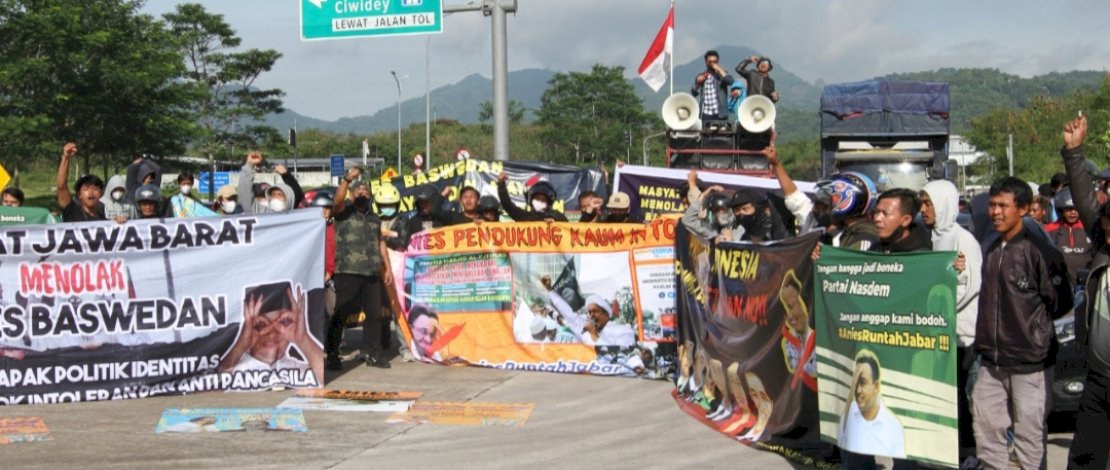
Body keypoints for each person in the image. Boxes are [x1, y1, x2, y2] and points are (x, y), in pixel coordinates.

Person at [975, 176, 1072, 470]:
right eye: (992, 205)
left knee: (1029, 440)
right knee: (987, 435)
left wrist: (1032, 332)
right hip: (991, 362)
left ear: (1024, 209)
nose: (996, 212)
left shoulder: (1042, 252)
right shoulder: (990, 248)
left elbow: (1061, 303)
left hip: (1031, 363)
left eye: (1003, 205)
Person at [1059, 116, 1110, 469]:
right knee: (1086, 458)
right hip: (1099, 380)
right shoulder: (1103, 250)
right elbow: (1085, 200)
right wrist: (1074, 152)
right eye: (1105, 228)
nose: (1107, 233)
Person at [921, 179, 983, 466]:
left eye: (928, 203)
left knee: (964, 401)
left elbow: (968, 285)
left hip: (961, 334)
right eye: (922, 203)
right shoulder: (931, 237)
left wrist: (936, 313)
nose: (924, 209)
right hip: (937, 334)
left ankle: (969, 454)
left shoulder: (962, 240)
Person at [328, 167, 394, 370]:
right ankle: (332, 354)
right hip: (348, 271)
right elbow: (337, 201)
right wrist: (347, 180)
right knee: (341, 313)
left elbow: (380, 242)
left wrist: (387, 267)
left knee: (374, 316)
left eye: (366, 191)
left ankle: (372, 354)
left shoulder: (374, 218)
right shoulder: (343, 212)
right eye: (359, 190)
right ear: (351, 194)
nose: (363, 193)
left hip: (371, 272)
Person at [217, 282, 324, 386]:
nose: (272, 333)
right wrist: (241, 344)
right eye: (261, 325)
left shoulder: (302, 370)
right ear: (248, 328)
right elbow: (214, 387)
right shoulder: (232, 369)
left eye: (282, 322)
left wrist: (303, 339)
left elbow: (325, 379)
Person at [838, 350, 907, 461]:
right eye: (856, 382)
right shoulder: (849, 412)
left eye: (863, 382)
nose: (858, 390)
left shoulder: (894, 427)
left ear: (876, 386)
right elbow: (840, 442)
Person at [543, 276, 635, 347]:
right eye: (589, 313)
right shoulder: (586, 332)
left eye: (595, 311)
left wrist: (595, 336)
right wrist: (550, 290)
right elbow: (568, 314)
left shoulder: (622, 330)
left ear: (606, 314)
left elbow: (621, 356)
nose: (591, 316)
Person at [1045, 187, 1093, 286]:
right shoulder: (1050, 229)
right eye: (1069, 209)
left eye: (1076, 209)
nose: (1073, 213)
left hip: (1086, 283)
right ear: (1061, 210)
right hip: (1060, 283)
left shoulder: (1088, 228)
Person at [779, 271, 816, 390]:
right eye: (785, 309)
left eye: (791, 306)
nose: (789, 316)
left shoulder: (822, 341)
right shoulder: (787, 345)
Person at [55, 143, 109, 223]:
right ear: (79, 195)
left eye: (95, 189)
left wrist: (119, 223)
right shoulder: (73, 213)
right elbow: (61, 186)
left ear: (101, 193)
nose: (91, 193)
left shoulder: (104, 221)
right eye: (86, 189)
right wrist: (66, 158)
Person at [872, 187, 931, 253]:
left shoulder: (920, 256)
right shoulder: (875, 249)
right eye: (876, 212)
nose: (877, 218)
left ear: (906, 220)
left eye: (885, 213)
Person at [496, 172, 568, 222]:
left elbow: (567, 229)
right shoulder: (524, 217)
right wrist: (501, 184)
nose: (540, 201)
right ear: (531, 200)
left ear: (548, 202)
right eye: (537, 198)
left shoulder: (556, 216)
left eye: (543, 200)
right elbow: (508, 205)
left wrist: (557, 224)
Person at [691, 50, 735, 122]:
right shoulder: (702, 76)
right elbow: (693, 92)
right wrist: (698, 83)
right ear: (706, 62)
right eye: (710, 62)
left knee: (722, 132)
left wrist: (719, 69)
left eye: (714, 61)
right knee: (705, 132)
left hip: (720, 113)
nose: (712, 64)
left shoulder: (721, 75)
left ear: (718, 61)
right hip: (706, 113)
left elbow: (731, 81)